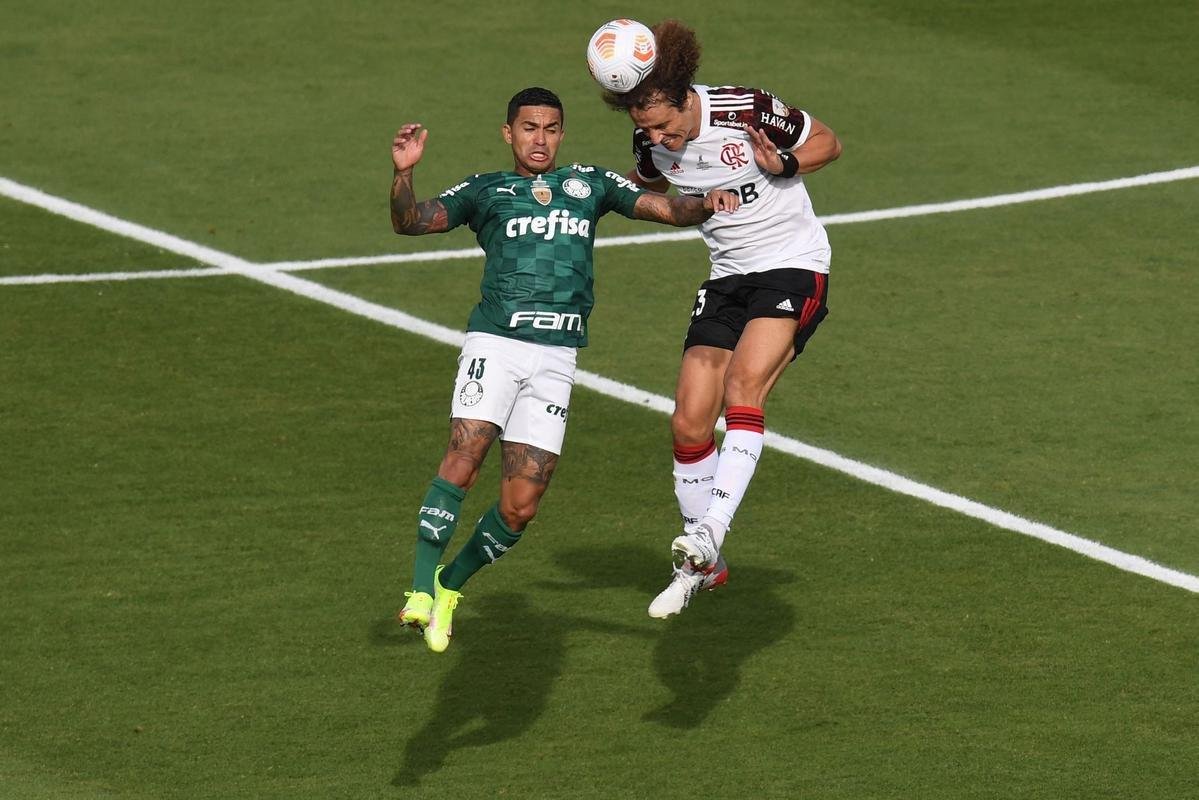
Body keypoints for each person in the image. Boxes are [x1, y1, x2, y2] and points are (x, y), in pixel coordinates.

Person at [390, 86, 738, 652]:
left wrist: (708, 202)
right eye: (529, 128)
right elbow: (411, 221)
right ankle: (418, 592)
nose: (540, 139)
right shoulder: (487, 191)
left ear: (562, 133)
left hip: (556, 359)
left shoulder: (590, 185)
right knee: (463, 457)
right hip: (497, 344)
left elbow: (669, 208)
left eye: (551, 128)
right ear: (509, 133)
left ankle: (449, 588)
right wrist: (403, 174)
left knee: (520, 507)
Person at [598, 20, 843, 618]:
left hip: (792, 266)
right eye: (646, 129)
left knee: (742, 389)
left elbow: (828, 143)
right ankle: (709, 567)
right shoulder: (650, 144)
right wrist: (601, 195)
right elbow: (654, 191)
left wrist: (785, 164)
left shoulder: (745, 108)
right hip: (728, 277)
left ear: (685, 98)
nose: (661, 138)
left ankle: (705, 537)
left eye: (666, 125)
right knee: (687, 423)